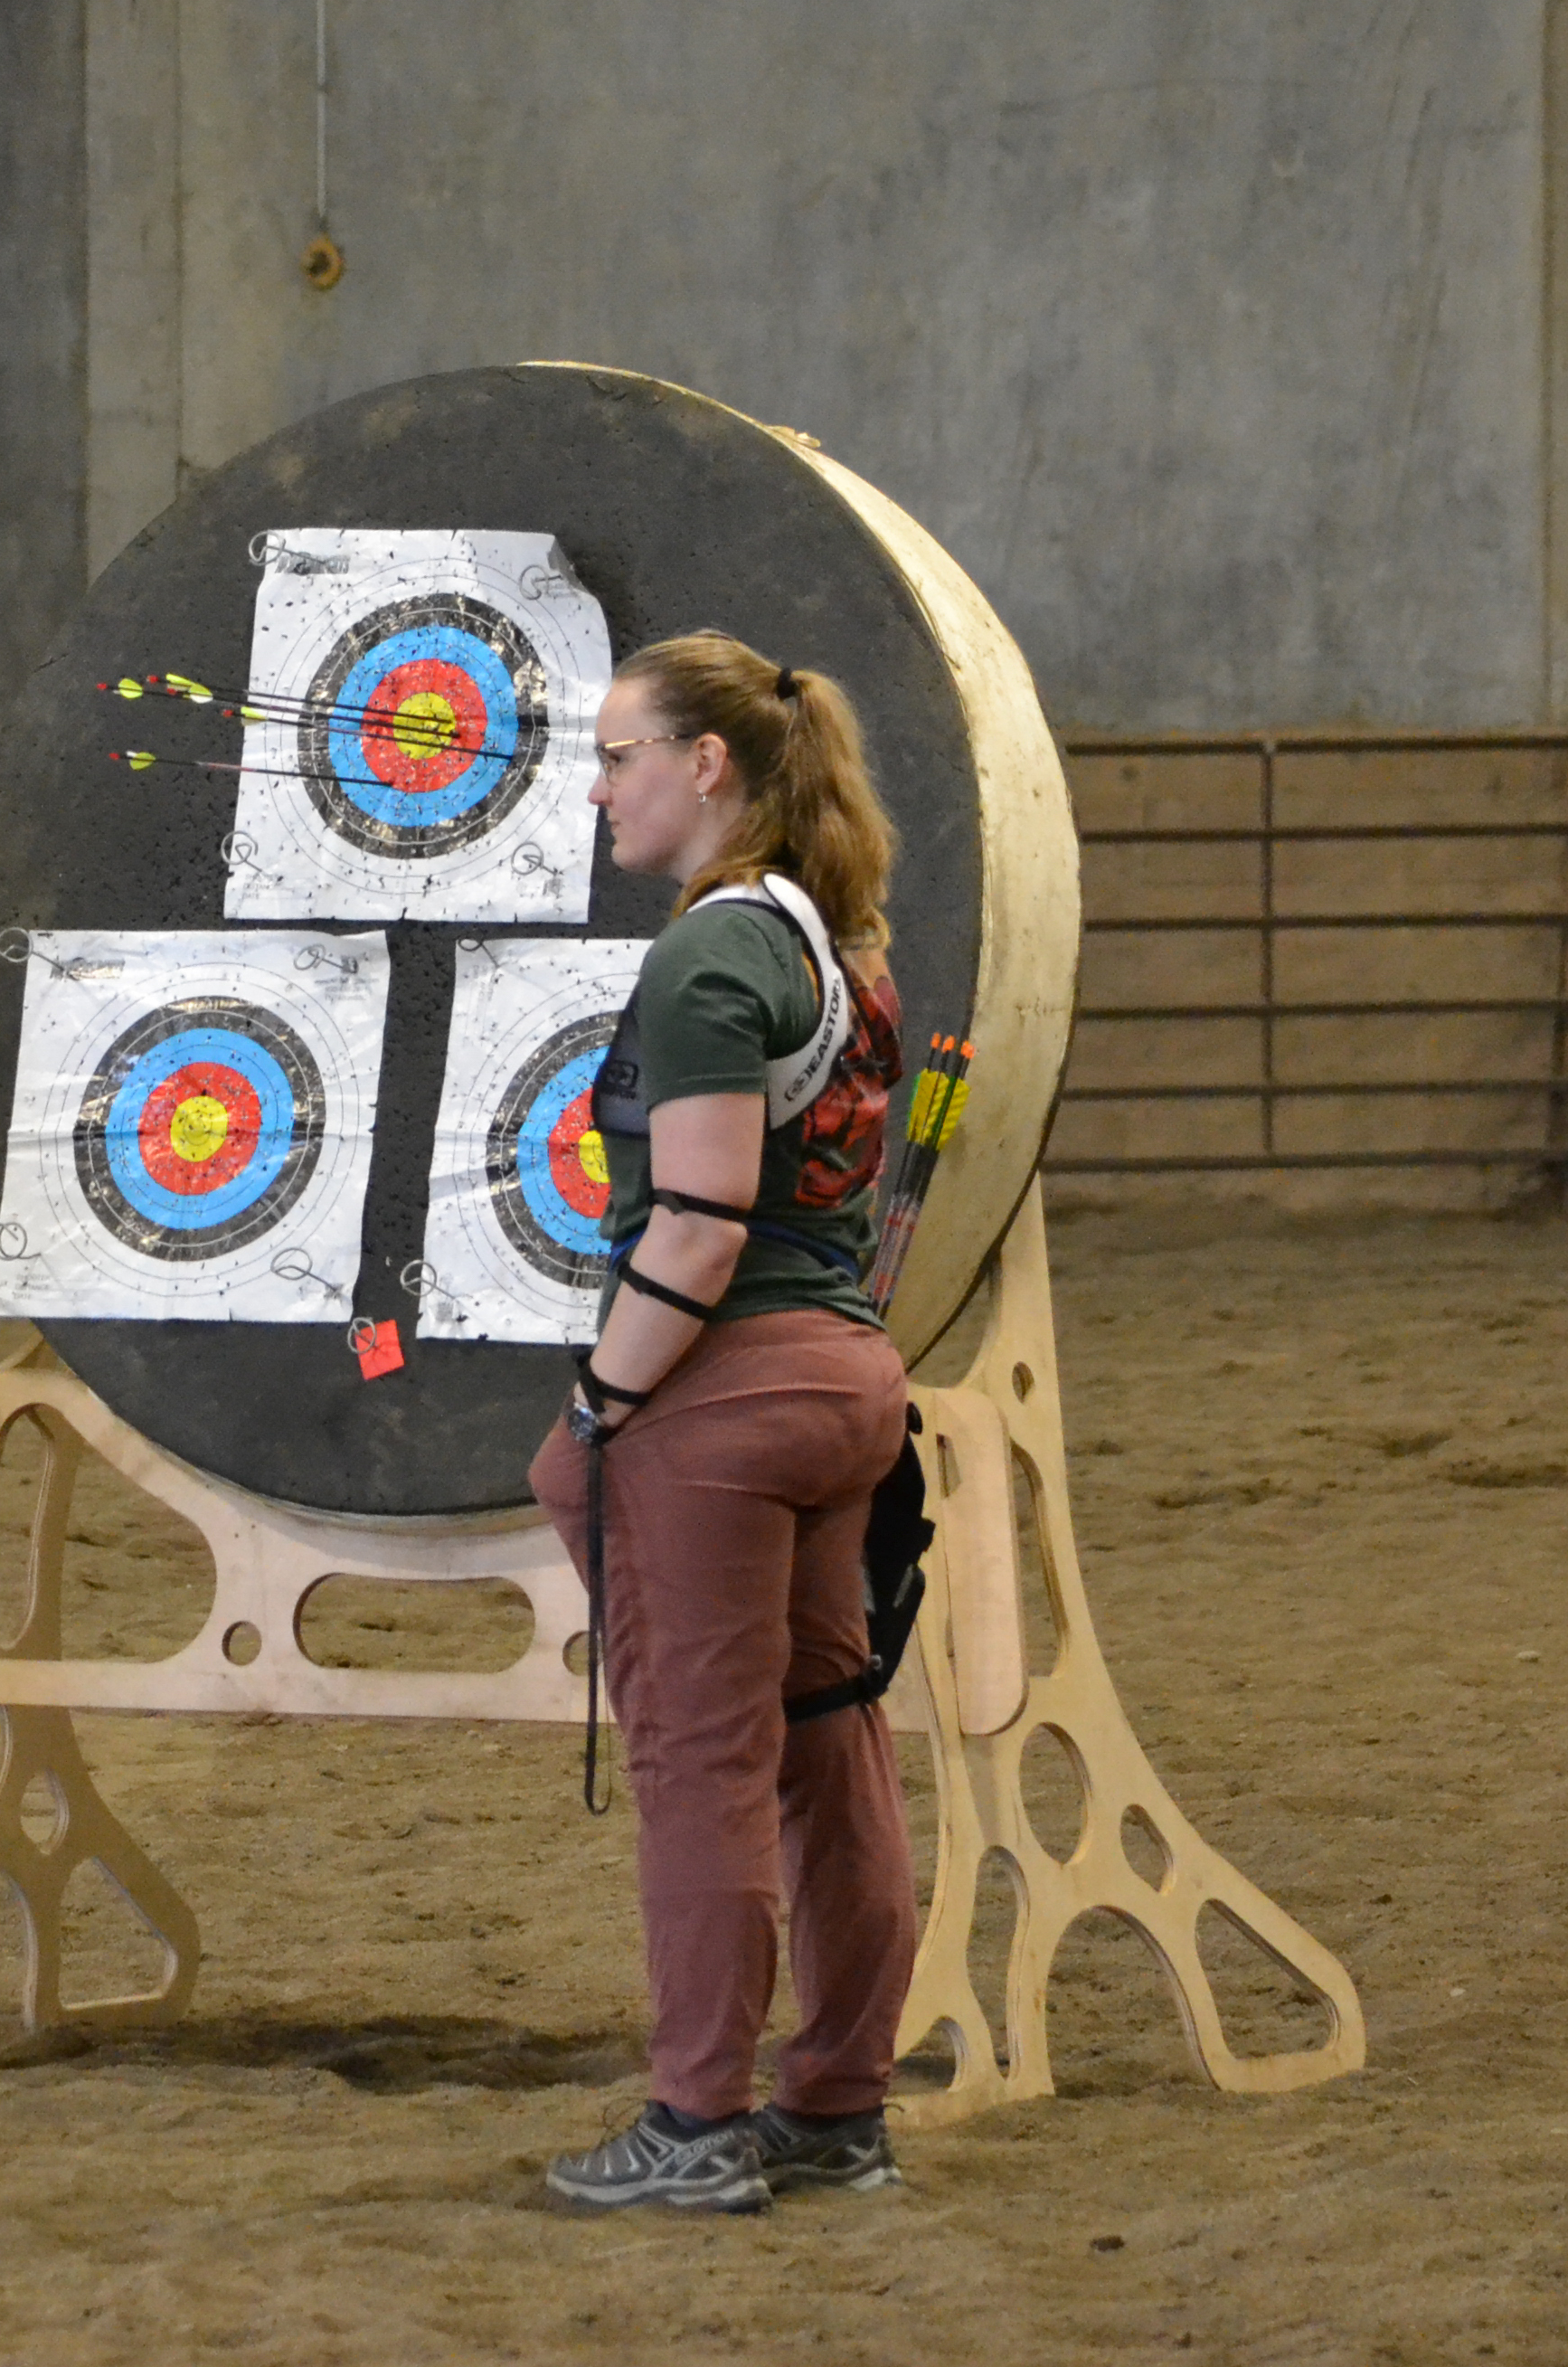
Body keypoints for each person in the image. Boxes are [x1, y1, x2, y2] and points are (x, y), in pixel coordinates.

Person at [532, 633, 921, 2216]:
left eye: (620, 753)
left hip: (730, 1397)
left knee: (702, 1760)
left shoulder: (704, 959)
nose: (600, 784)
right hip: (843, 1382)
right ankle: (834, 2110)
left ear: (707, 768)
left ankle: (697, 2125)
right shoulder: (840, 943)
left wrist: (602, 1403)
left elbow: (694, 1226)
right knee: (828, 1745)